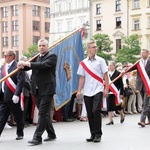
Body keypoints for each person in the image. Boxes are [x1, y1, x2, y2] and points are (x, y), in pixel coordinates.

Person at [17, 38, 57, 145]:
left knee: (42, 113)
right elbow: (29, 67)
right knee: (45, 114)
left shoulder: (52, 56)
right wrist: (21, 67)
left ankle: (37, 137)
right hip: (36, 89)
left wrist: (27, 64)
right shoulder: (36, 56)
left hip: (47, 89)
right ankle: (51, 133)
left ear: (47, 46)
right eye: (40, 46)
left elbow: (42, 65)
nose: (41, 47)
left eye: (43, 45)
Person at [76, 41, 109, 143]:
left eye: (96, 47)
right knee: (89, 113)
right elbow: (82, 77)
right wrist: (79, 91)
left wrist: (106, 88)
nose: (96, 48)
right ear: (89, 49)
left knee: (96, 111)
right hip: (87, 91)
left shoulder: (101, 61)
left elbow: (105, 75)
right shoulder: (83, 63)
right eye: (93, 47)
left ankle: (98, 134)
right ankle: (92, 134)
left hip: (98, 89)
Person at [0, 50, 25, 140]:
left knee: (17, 115)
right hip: (4, 95)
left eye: (6, 55)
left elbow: (20, 81)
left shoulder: (18, 66)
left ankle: (20, 133)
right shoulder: (3, 67)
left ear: (12, 56)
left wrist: (17, 94)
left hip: (13, 95)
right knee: (2, 116)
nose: (5, 57)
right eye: (4, 55)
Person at [128, 49, 150, 127]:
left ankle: (142, 121)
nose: (142, 54)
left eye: (144, 53)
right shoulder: (139, 62)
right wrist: (125, 71)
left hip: (148, 85)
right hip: (140, 85)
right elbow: (132, 68)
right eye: (141, 53)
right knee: (146, 103)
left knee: (145, 103)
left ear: (148, 53)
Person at [106, 61, 125, 125]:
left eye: (111, 65)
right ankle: (110, 120)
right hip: (109, 92)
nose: (109, 67)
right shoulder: (107, 74)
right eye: (108, 65)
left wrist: (121, 93)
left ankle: (122, 115)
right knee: (109, 106)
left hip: (116, 92)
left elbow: (121, 84)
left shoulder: (118, 73)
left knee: (117, 106)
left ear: (114, 66)